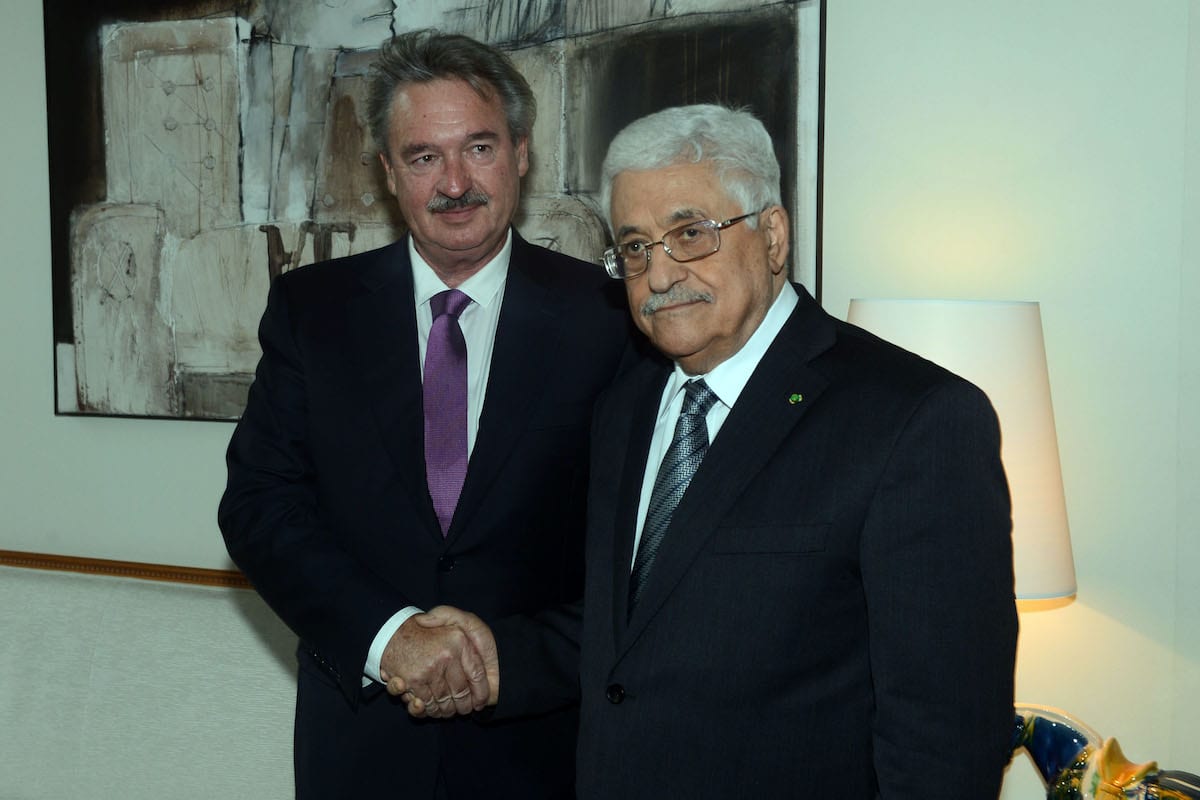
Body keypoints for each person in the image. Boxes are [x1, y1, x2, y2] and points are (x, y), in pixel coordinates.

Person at [397, 104, 1020, 798]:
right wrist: (495, 657)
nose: (658, 275)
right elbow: (637, 632)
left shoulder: (915, 421)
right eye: (634, 247)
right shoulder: (627, 404)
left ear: (774, 236)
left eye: (689, 233)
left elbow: (947, 741)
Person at [218, 29, 632, 799]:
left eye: (478, 148)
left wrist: (512, 657)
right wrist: (391, 637)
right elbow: (259, 506)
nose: (454, 183)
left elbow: (637, 545)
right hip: (362, 746)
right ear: (386, 172)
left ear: (520, 153)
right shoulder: (315, 312)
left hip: (543, 745)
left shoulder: (608, 319)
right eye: (423, 157)